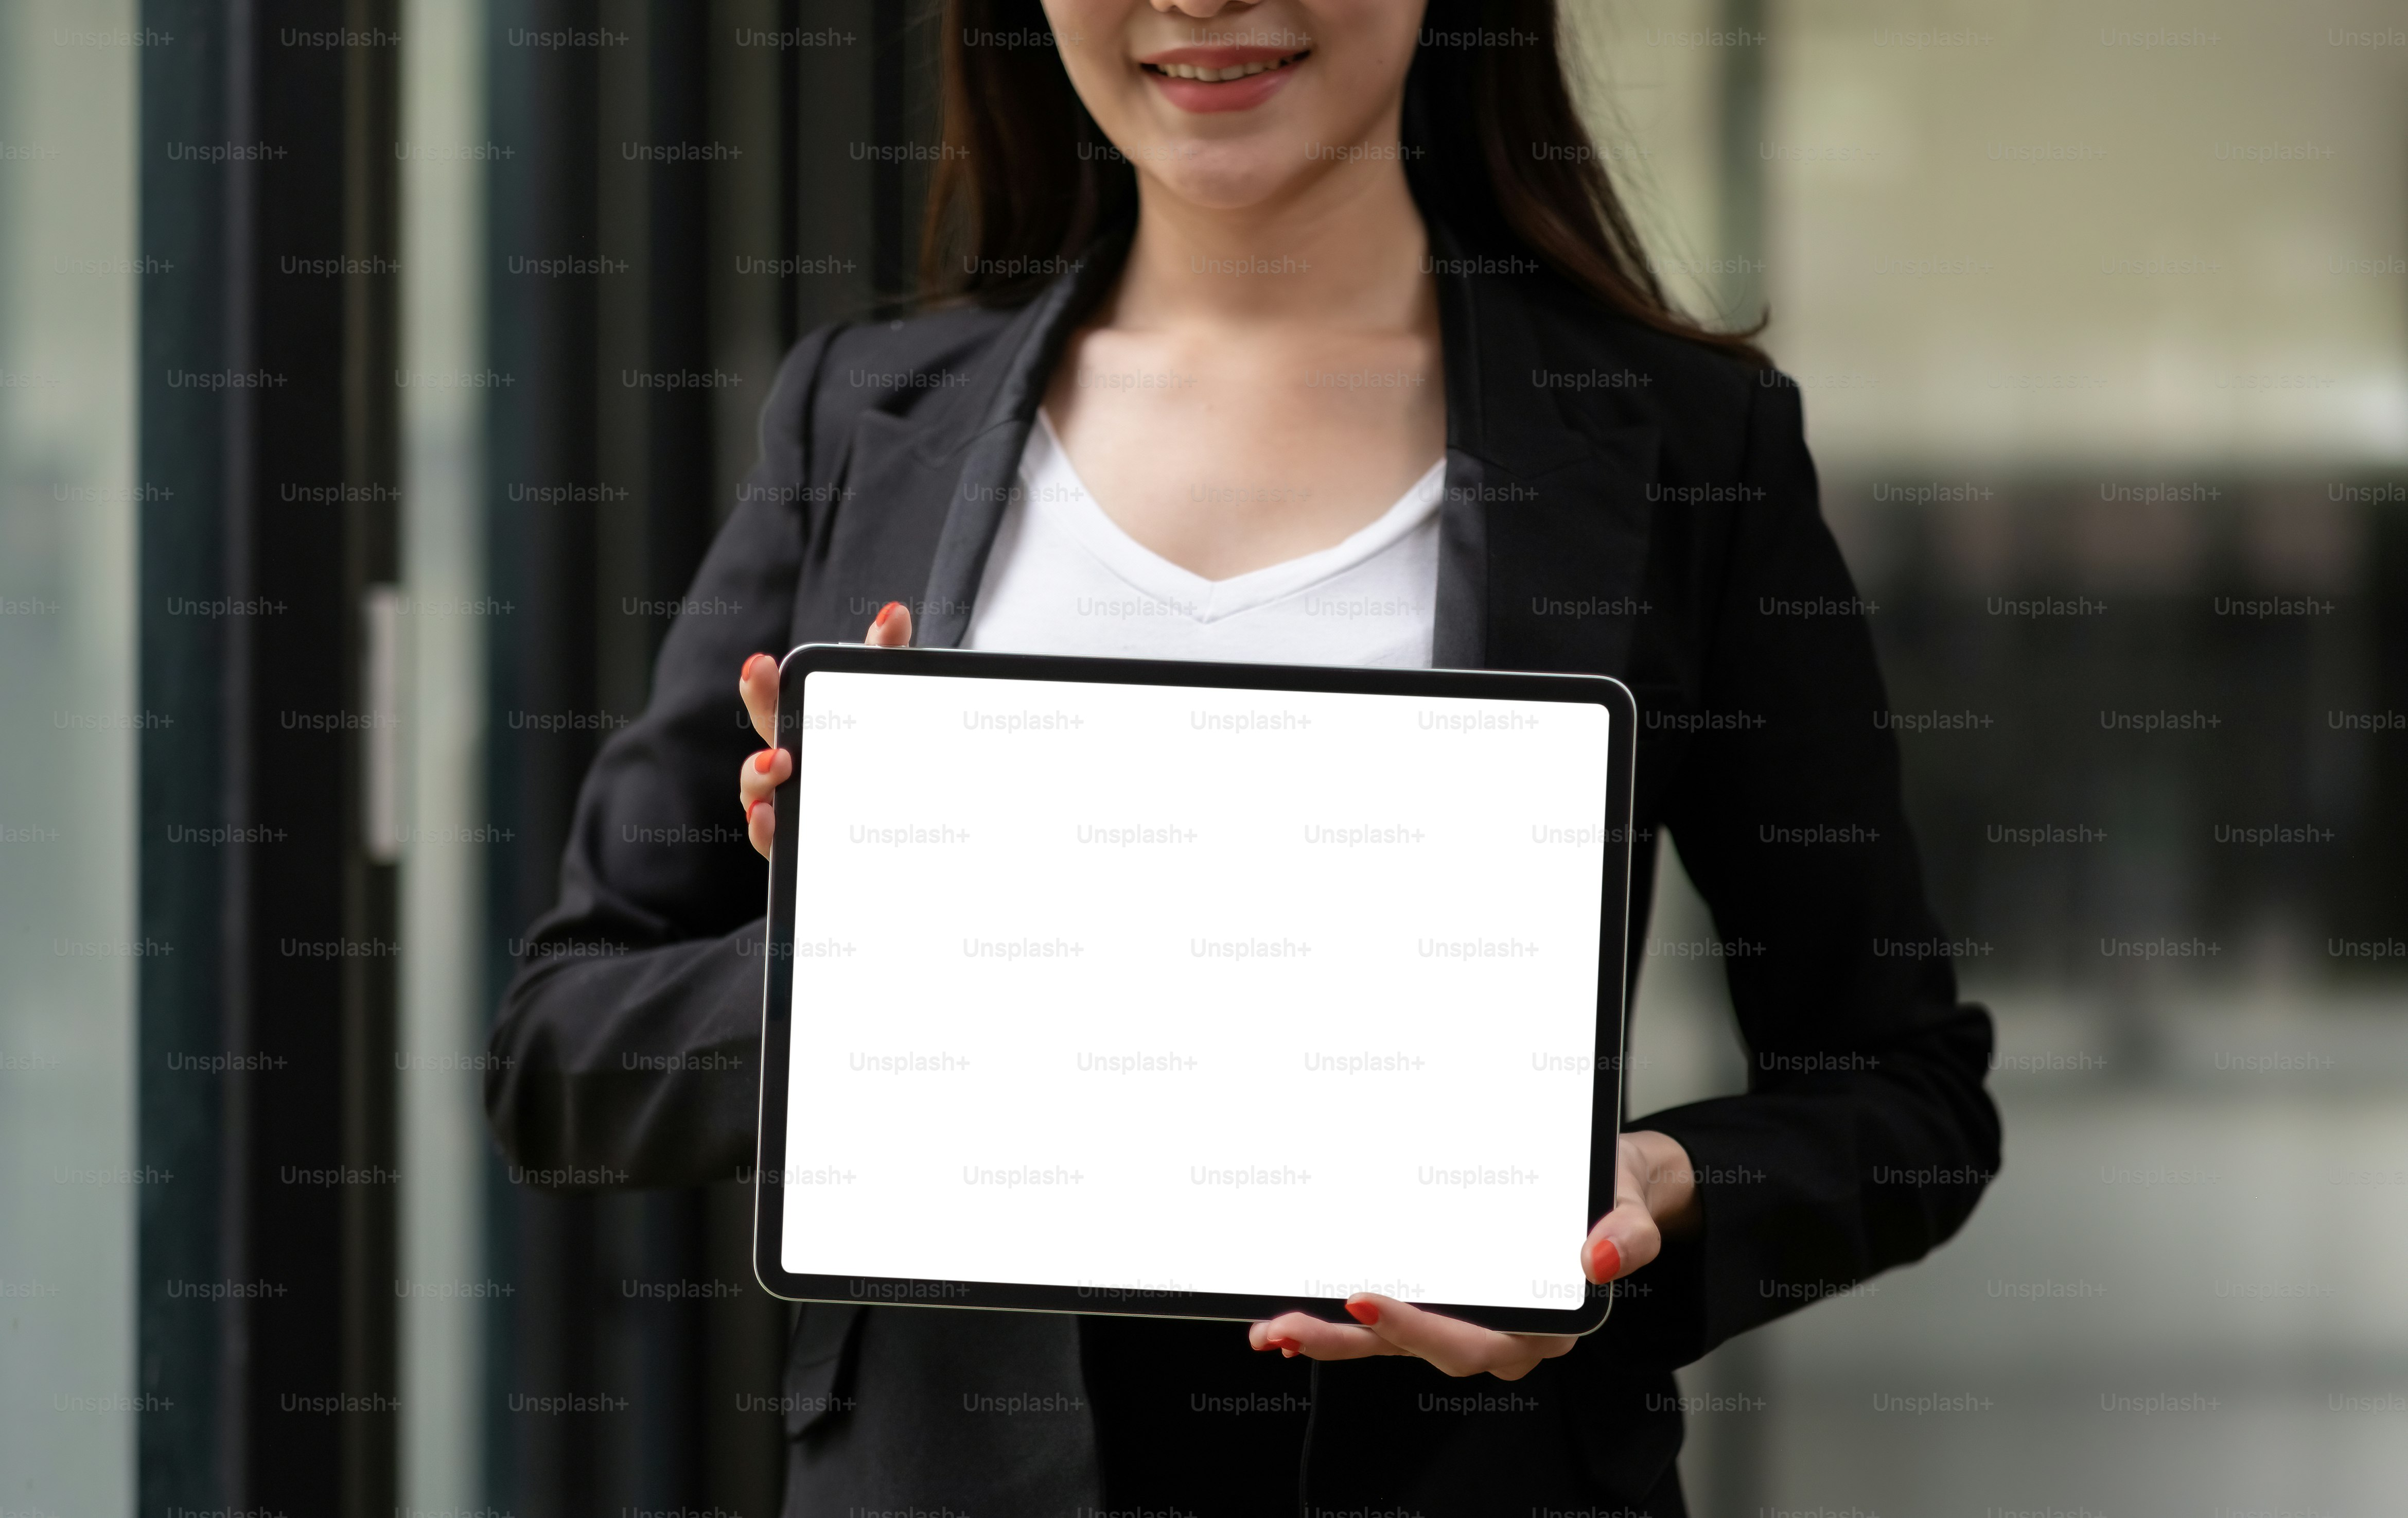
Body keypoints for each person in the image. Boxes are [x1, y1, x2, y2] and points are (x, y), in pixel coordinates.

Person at [485, 0, 2002, 1511]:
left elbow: (1904, 1095)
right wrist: (873, 956)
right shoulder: (868, 418)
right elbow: (563, 1056)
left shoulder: (1683, 444)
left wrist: (1646, 1206)